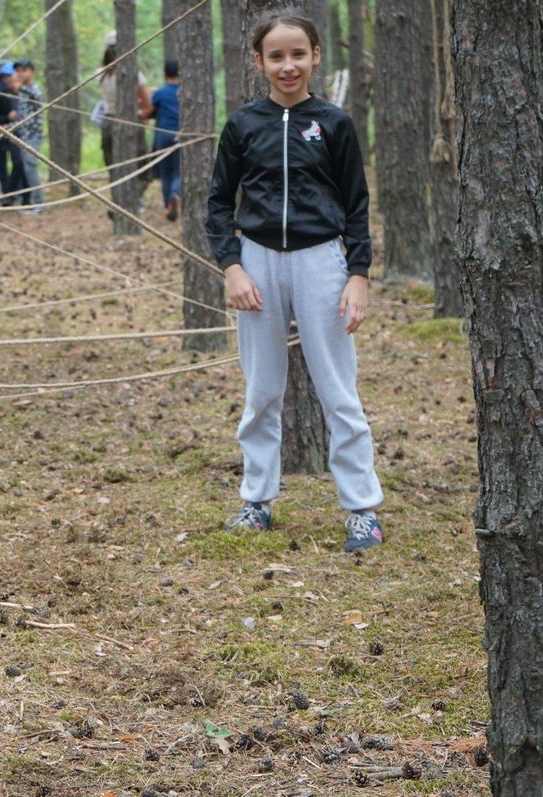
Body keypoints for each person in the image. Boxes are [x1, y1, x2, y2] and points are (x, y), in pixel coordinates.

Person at [205, 12, 384, 552]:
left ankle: (361, 509)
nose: (289, 66)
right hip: (257, 260)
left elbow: (356, 204)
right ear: (257, 61)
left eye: (298, 54)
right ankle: (256, 500)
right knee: (261, 391)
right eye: (277, 56)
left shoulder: (334, 123)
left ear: (316, 56)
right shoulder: (242, 125)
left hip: (321, 261)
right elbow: (218, 203)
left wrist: (358, 275)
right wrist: (232, 266)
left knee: (338, 390)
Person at [97, 31, 153, 213]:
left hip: (108, 123)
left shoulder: (100, 74)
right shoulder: (134, 74)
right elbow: (147, 105)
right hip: (131, 123)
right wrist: (141, 115)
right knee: (143, 169)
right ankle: (132, 200)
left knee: (114, 168)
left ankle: (119, 204)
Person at [0, 61, 23, 206]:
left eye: (13, 79)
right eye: (7, 78)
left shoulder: (25, 95)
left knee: (18, 163)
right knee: (2, 164)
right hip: (1, 134)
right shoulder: (1, 94)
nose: (10, 81)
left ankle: (15, 192)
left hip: (17, 135)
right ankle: (6, 194)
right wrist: (7, 118)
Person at [150, 59, 181, 221]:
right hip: (181, 135)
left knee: (165, 173)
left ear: (165, 74)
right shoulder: (184, 92)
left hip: (163, 135)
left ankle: (168, 206)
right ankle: (176, 194)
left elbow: (150, 110)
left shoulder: (160, 93)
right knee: (178, 171)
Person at [13, 59, 44, 213]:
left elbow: (38, 99)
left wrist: (22, 89)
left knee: (31, 167)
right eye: (18, 71)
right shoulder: (20, 91)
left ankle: (39, 203)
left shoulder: (33, 89)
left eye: (24, 70)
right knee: (25, 168)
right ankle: (30, 200)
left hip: (34, 135)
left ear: (32, 72)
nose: (20, 74)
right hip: (22, 135)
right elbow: (23, 116)